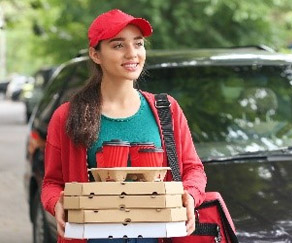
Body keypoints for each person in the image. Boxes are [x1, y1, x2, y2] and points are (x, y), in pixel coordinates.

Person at [41, 9, 207, 243]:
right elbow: (52, 183)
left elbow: (194, 170)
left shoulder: (166, 109)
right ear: (96, 55)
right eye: (118, 46)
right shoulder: (67, 115)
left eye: (138, 44)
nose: (132, 54)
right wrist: (56, 202)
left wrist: (190, 194)